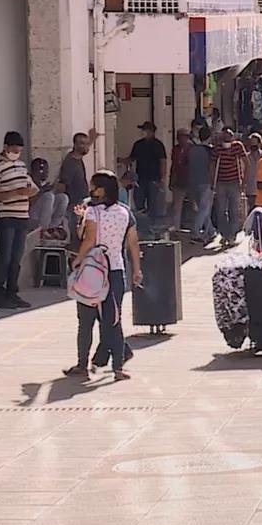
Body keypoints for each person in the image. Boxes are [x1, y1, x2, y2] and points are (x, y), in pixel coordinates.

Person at [63, 170, 141, 382]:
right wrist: (137, 269)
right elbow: (132, 243)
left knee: (86, 321)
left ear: (101, 189)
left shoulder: (92, 213)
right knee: (113, 319)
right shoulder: (125, 212)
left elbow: (87, 239)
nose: (91, 189)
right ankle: (117, 367)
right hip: (116, 269)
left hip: (92, 270)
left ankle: (82, 364)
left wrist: (77, 259)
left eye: (94, 186)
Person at [0, 131, 38, 309]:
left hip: (22, 217)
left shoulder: (21, 167)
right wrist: (16, 192)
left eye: (19, 150)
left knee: (16, 258)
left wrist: (29, 192)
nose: (16, 153)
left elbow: (32, 187)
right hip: (4, 218)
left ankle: (12, 292)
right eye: (14, 149)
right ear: (6, 147)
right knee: (3, 257)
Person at [121, 121, 167, 217]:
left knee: (153, 204)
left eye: (144, 130)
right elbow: (132, 158)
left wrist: (162, 179)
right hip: (140, 178)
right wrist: (120, 160)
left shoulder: (158, 145)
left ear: (151, 131)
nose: (142, 132)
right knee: (138, 201)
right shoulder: (138, 144)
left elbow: (163, 162)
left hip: (154, 178)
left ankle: (152, 224)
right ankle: (142, 223)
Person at [211, 131, 247, 248]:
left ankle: (232, 234)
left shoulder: (237, 147)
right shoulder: (217, 149)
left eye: (228, 139)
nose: (226, 142)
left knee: (234, 210)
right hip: (221, 183)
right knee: (220, 210)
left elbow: (245, 162)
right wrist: (212, 181)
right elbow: (212, 165)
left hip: (235, 183)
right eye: (224, 140)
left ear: (232, 138)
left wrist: (244, 180)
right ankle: (224, 233)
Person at [186, 126, 216, 245]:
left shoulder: (192, 150)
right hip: (205, 182)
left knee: (204, 209)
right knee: (204, 209)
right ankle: (195, 232)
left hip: (193, 181)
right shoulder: (209, 151)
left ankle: (211, 231)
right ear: (210, 137)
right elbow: (211, 167)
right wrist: (213, 182)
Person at [28, 157, 68, 236]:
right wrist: (42, 191)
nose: (47, 173)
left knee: (63, 197)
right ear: (40, 171)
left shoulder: (42, 182)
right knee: (48, 196)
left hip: (43, 216)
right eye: (45, 171)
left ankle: (53, 227)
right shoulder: (28, 181)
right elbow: (29, 202)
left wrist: (54, 189)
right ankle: (44, 229)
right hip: (31, 217)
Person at [168, 129, 192, 231]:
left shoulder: (192, 149)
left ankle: (194, 226)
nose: (180, 139)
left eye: (183, 137)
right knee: (176, 206)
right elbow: (174, 166)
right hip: (178, 180)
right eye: (179, 137)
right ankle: (176, 226)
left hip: (190, 180)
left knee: (194, 205)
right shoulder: (176, 149)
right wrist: (171, 180)